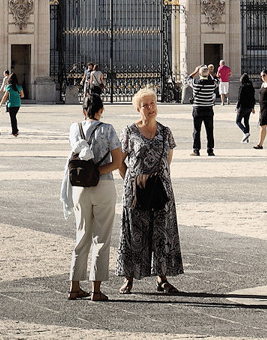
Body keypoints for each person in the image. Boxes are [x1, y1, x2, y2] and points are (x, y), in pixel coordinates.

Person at [117, 87, 182, 294]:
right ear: (138, 108)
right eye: (145, 105)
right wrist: (134, 181)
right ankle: (129, 278)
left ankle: (162, 278)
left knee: (161, 232)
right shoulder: (129, 131)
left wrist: (155, 178)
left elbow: (167, 160)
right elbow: (120, 162)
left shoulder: (165, 131)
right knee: (134, 232)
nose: (150, 107)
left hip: (161, 189)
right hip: (136, 189)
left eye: (153, 103)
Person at [62, 90, 126, 302]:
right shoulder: (107, 130)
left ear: (83, 111)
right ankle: (96, 290)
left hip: (79, 187)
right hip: (103, 186)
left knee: (81, 234)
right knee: (101, 237)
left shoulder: (75, 128)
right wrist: (97, 172)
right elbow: (117, 162)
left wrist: (87, 173)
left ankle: (74, 287)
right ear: (101, 110)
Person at [186, 65, 217, 156]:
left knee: (196, 130)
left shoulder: (195, 83)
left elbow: (188, 79)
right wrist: (210, 73)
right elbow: (217, 80)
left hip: (198, 109)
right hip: (208, 108)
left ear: (199, 74)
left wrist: (195, 71)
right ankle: (210, 150)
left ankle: (196, 150)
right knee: (210, 130)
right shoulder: (212, 84)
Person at [235, 74, 256, 143]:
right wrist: (253, 107)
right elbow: (253, 98)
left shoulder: (242, 87)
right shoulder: (251, 87)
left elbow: (239, 98)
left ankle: (245, 132)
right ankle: (246, 138)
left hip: (243, 106)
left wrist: (237, 107)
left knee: (238, 121)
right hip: (249, 107)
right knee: (246, 122)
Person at [5, 72, 24, 136]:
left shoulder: (9, 87)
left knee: (12, 118)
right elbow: (22, 95)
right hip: (18, 103)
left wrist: (0, 103)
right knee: (14, 117)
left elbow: (5, 96)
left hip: (11, 104)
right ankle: (15, 129)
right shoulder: (19, 87)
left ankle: (14, 131)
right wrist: (17, 95)